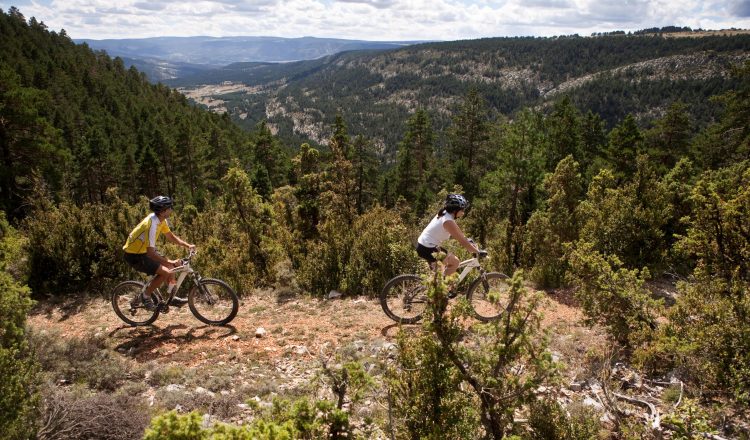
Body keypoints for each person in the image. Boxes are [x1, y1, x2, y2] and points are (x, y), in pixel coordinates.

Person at [122, 196, 195, 310]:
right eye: (169, 207)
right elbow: (151, 253)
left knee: (171, 267)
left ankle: (172, 297)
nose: (171, 209)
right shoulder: (151, 224)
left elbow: (170, 236)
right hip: (134, 255)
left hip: (144, 251)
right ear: (162, 211)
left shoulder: (162, 220)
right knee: (165, 272)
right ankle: (146, 296)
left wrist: (187, 245)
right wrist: (171, 261)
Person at [416, 193, 481, 276]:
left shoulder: (444, 213)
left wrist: (467, 240)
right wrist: (477, 251)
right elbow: (462, 241)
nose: (463, 213)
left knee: (438, 275)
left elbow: (458, 233)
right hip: (428, 248)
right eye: (462, 210)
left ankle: (438, 286)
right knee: (455, 262)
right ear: (455, 210)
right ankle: (443, 287)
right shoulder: (448, 221)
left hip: (424, 245)